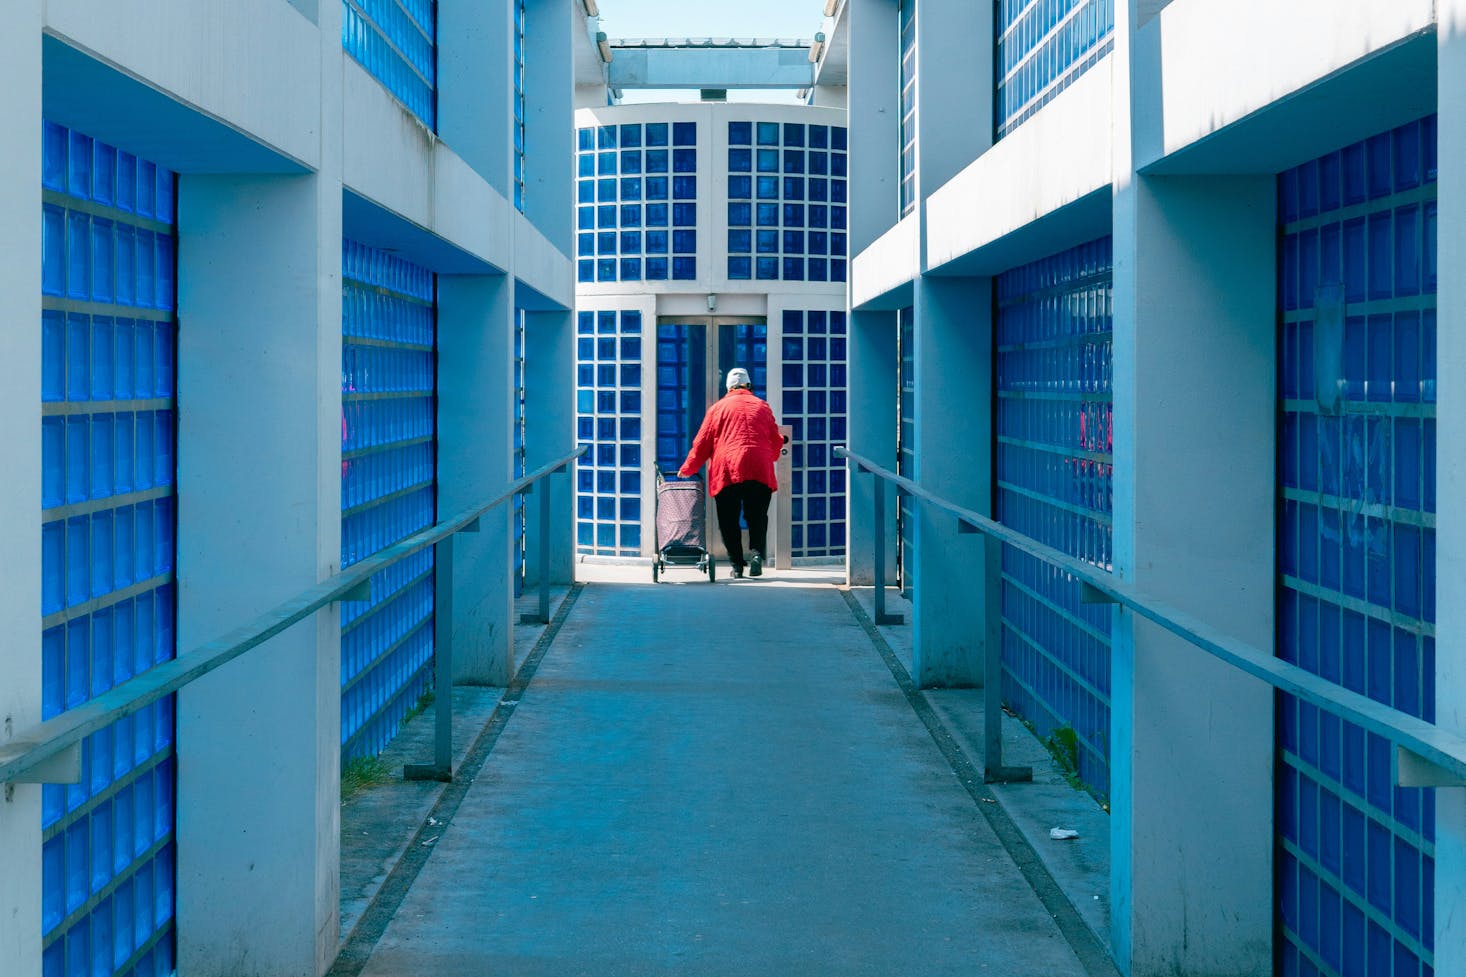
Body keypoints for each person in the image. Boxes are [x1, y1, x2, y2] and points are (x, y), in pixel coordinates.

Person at [679, 367, 784, 578]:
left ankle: (737, 566)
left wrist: (688, 468)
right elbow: (776, 440)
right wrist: (768, 457)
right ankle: (756, 555)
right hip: (759, 468)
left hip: (727, 469)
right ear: (749, 385)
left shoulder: (717, 409)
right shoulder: (762, 407)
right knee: (757, 517)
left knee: (728, 519)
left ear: (728, 387)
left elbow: (702, 444)